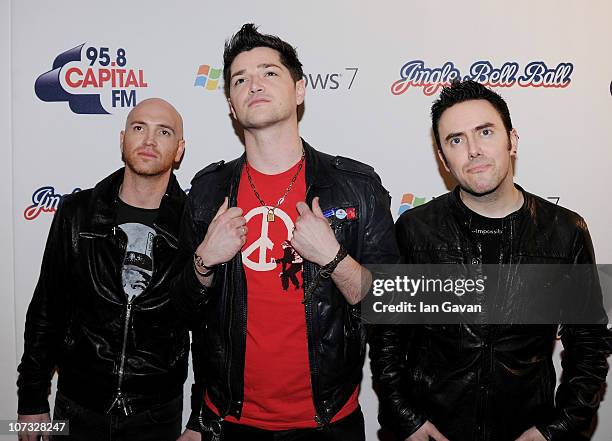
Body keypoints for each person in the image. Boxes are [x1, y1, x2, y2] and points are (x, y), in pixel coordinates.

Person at [172, 24, 398, 441]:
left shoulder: (356, 187)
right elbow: (179, 314)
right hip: (228, 423)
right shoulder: (207, 193)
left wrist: (333, 259)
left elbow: (389, 308)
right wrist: (204, 260)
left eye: (269, 72)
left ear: (299, 90)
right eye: (240, 79)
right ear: (232, 106)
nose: (253, 84)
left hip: (329, 422)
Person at [369, 80, 611, 441]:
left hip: (526, 430)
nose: (473, 150)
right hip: (433, 431)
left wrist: (555, 430)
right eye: (455, 140)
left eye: (485, 132)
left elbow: (589, 347)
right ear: (443, 158)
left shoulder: (565, 231)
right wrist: (407, 421)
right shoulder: (414, 230)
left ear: (512, 141)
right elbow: (386, 340)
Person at [17, 98, 196, 441]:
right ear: (122, 139)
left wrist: (202, 419)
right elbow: (46, 310)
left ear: (179, 150)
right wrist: (32, 399)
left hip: (156, 414)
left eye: (164, 131)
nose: (149, 140)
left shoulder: (193, 224)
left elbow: (208, 329)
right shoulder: (77, 213)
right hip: (77, 406)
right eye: (139, 127)